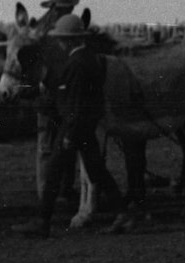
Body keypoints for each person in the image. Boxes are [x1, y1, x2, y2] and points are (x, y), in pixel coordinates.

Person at [14, 15, 130, 237]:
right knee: (97, 172)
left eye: (62, 38)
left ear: (69, 40)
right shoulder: (85, 58)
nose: (59, 42)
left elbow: (75, 102)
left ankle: (42, 222)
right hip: (83, 128)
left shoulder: (77, 63)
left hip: (74, 129)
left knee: (54, 173)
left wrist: (69, 134)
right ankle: (123, 213)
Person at [32, 0, 80, 201]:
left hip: (63, 96)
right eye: (63, 7)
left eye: (68, 7)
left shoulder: (59, 26)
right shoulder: (41, 33)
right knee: (48, 146)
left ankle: (61, 190)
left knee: (63, 145)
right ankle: (47, 194)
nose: (67, 10)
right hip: (51, 97)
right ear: (53, 8)